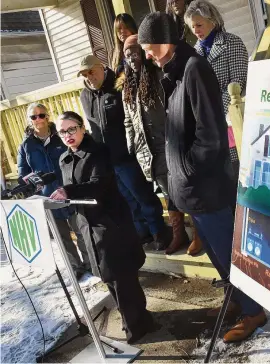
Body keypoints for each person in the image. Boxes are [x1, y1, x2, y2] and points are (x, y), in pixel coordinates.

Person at [138, 12, 267, 342]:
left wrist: (188, 171)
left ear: (168, 40)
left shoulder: (194, 69)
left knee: (227, 252)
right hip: (190, 190)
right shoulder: (173, 72)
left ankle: (254, 312)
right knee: (213, 251)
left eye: (151, 47)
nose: (148, 53)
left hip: (206, 188)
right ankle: (236, 299)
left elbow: (211, 136)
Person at [50, 111, 154, 344]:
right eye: (62, 131)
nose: (67, 135)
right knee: (108, 276)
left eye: (71, 129)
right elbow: (71, 189)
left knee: (122, 276)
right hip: (87, 225)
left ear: (82, 128)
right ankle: (139, 319)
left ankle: (136, 326)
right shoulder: (64, 159)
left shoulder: (98, 151)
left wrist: (68, 192)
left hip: (110, 223)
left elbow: (99, 184)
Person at [120, 35, 204, 256]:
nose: (131, 59)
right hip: (148, 152)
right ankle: (179, 234)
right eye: (127, 55)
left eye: (135, 53)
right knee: (169, 195)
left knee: (183, 190)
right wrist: (133, 145)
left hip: (169, 145)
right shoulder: (127, 88)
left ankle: (199, 233)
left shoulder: (158, 77)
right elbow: (128, 120)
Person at [78, 55, 171, 250]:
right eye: (85, 75)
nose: (89, 77)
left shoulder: (118, 87)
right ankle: (142, 233)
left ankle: (159, 231)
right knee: (126, 199)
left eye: (91, 72)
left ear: (101, 68)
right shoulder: (85, 96)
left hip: (126, 155)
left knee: (142, 195)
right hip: (106, 158)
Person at [185, 0, 248, 206]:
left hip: (230, 122)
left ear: (212, 21)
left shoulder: (232, 43)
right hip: (209, 130)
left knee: (238, 176)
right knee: (222, 184)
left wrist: (210, 109)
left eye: (200, 25)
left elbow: (238, 83)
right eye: (192, 26)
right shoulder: (194, 53)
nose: (196, 30)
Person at [17, 103, 90, 279]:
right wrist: (31, 182)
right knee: (62, 237)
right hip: (47, 197)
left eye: (41, 115)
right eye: (34, 117)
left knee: (81, 230)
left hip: (68, 191)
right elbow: (23, 174)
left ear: (47, 116)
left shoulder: (61, 136)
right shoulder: (26, 146)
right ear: (29, 120)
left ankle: (90, 263)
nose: (38, 119)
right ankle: (76, 267)